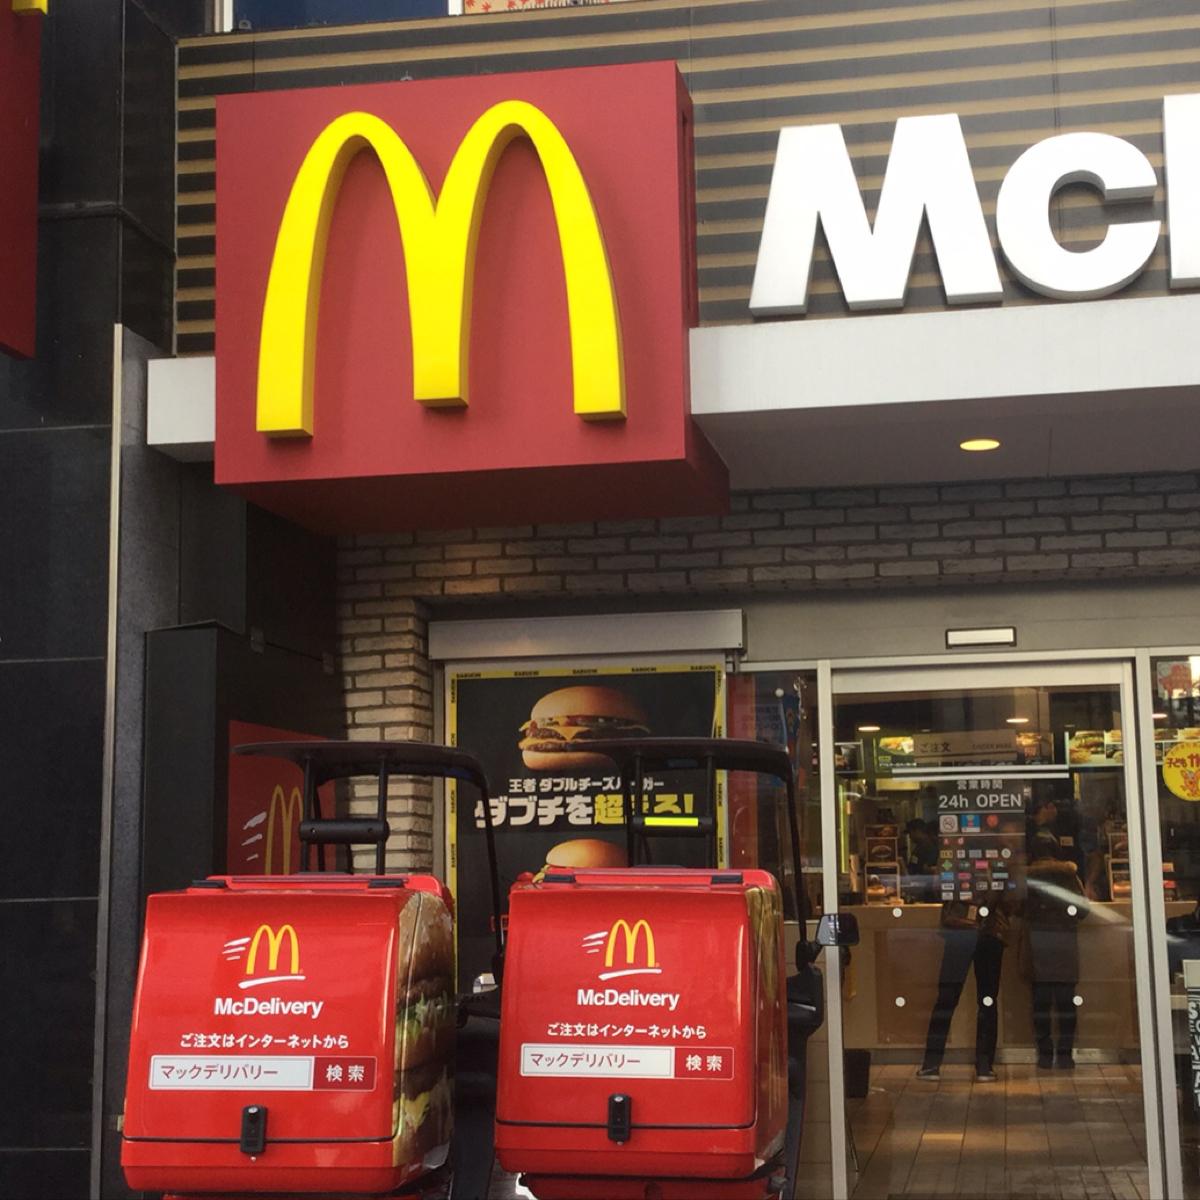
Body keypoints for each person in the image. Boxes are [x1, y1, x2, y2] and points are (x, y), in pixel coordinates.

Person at [1023, 797, 1089, 1070]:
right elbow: (1083, 910)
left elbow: (1018, 907)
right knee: (1065, 1002)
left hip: (1038, 941)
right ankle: (1065, 1054)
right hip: (1064, 942)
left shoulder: (1028, 878)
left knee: (1041, 1002)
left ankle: (1044, 1053)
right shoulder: (1068, 876)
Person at [916, 896, 1009, 1083]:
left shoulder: (960, 868)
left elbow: (941, 886)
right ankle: (984, 1066)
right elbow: (1014, 898)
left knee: (947, 998)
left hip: (960, 930)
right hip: (991, 932)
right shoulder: (1003, 868)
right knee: (987, 1001)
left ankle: (931, 1065)